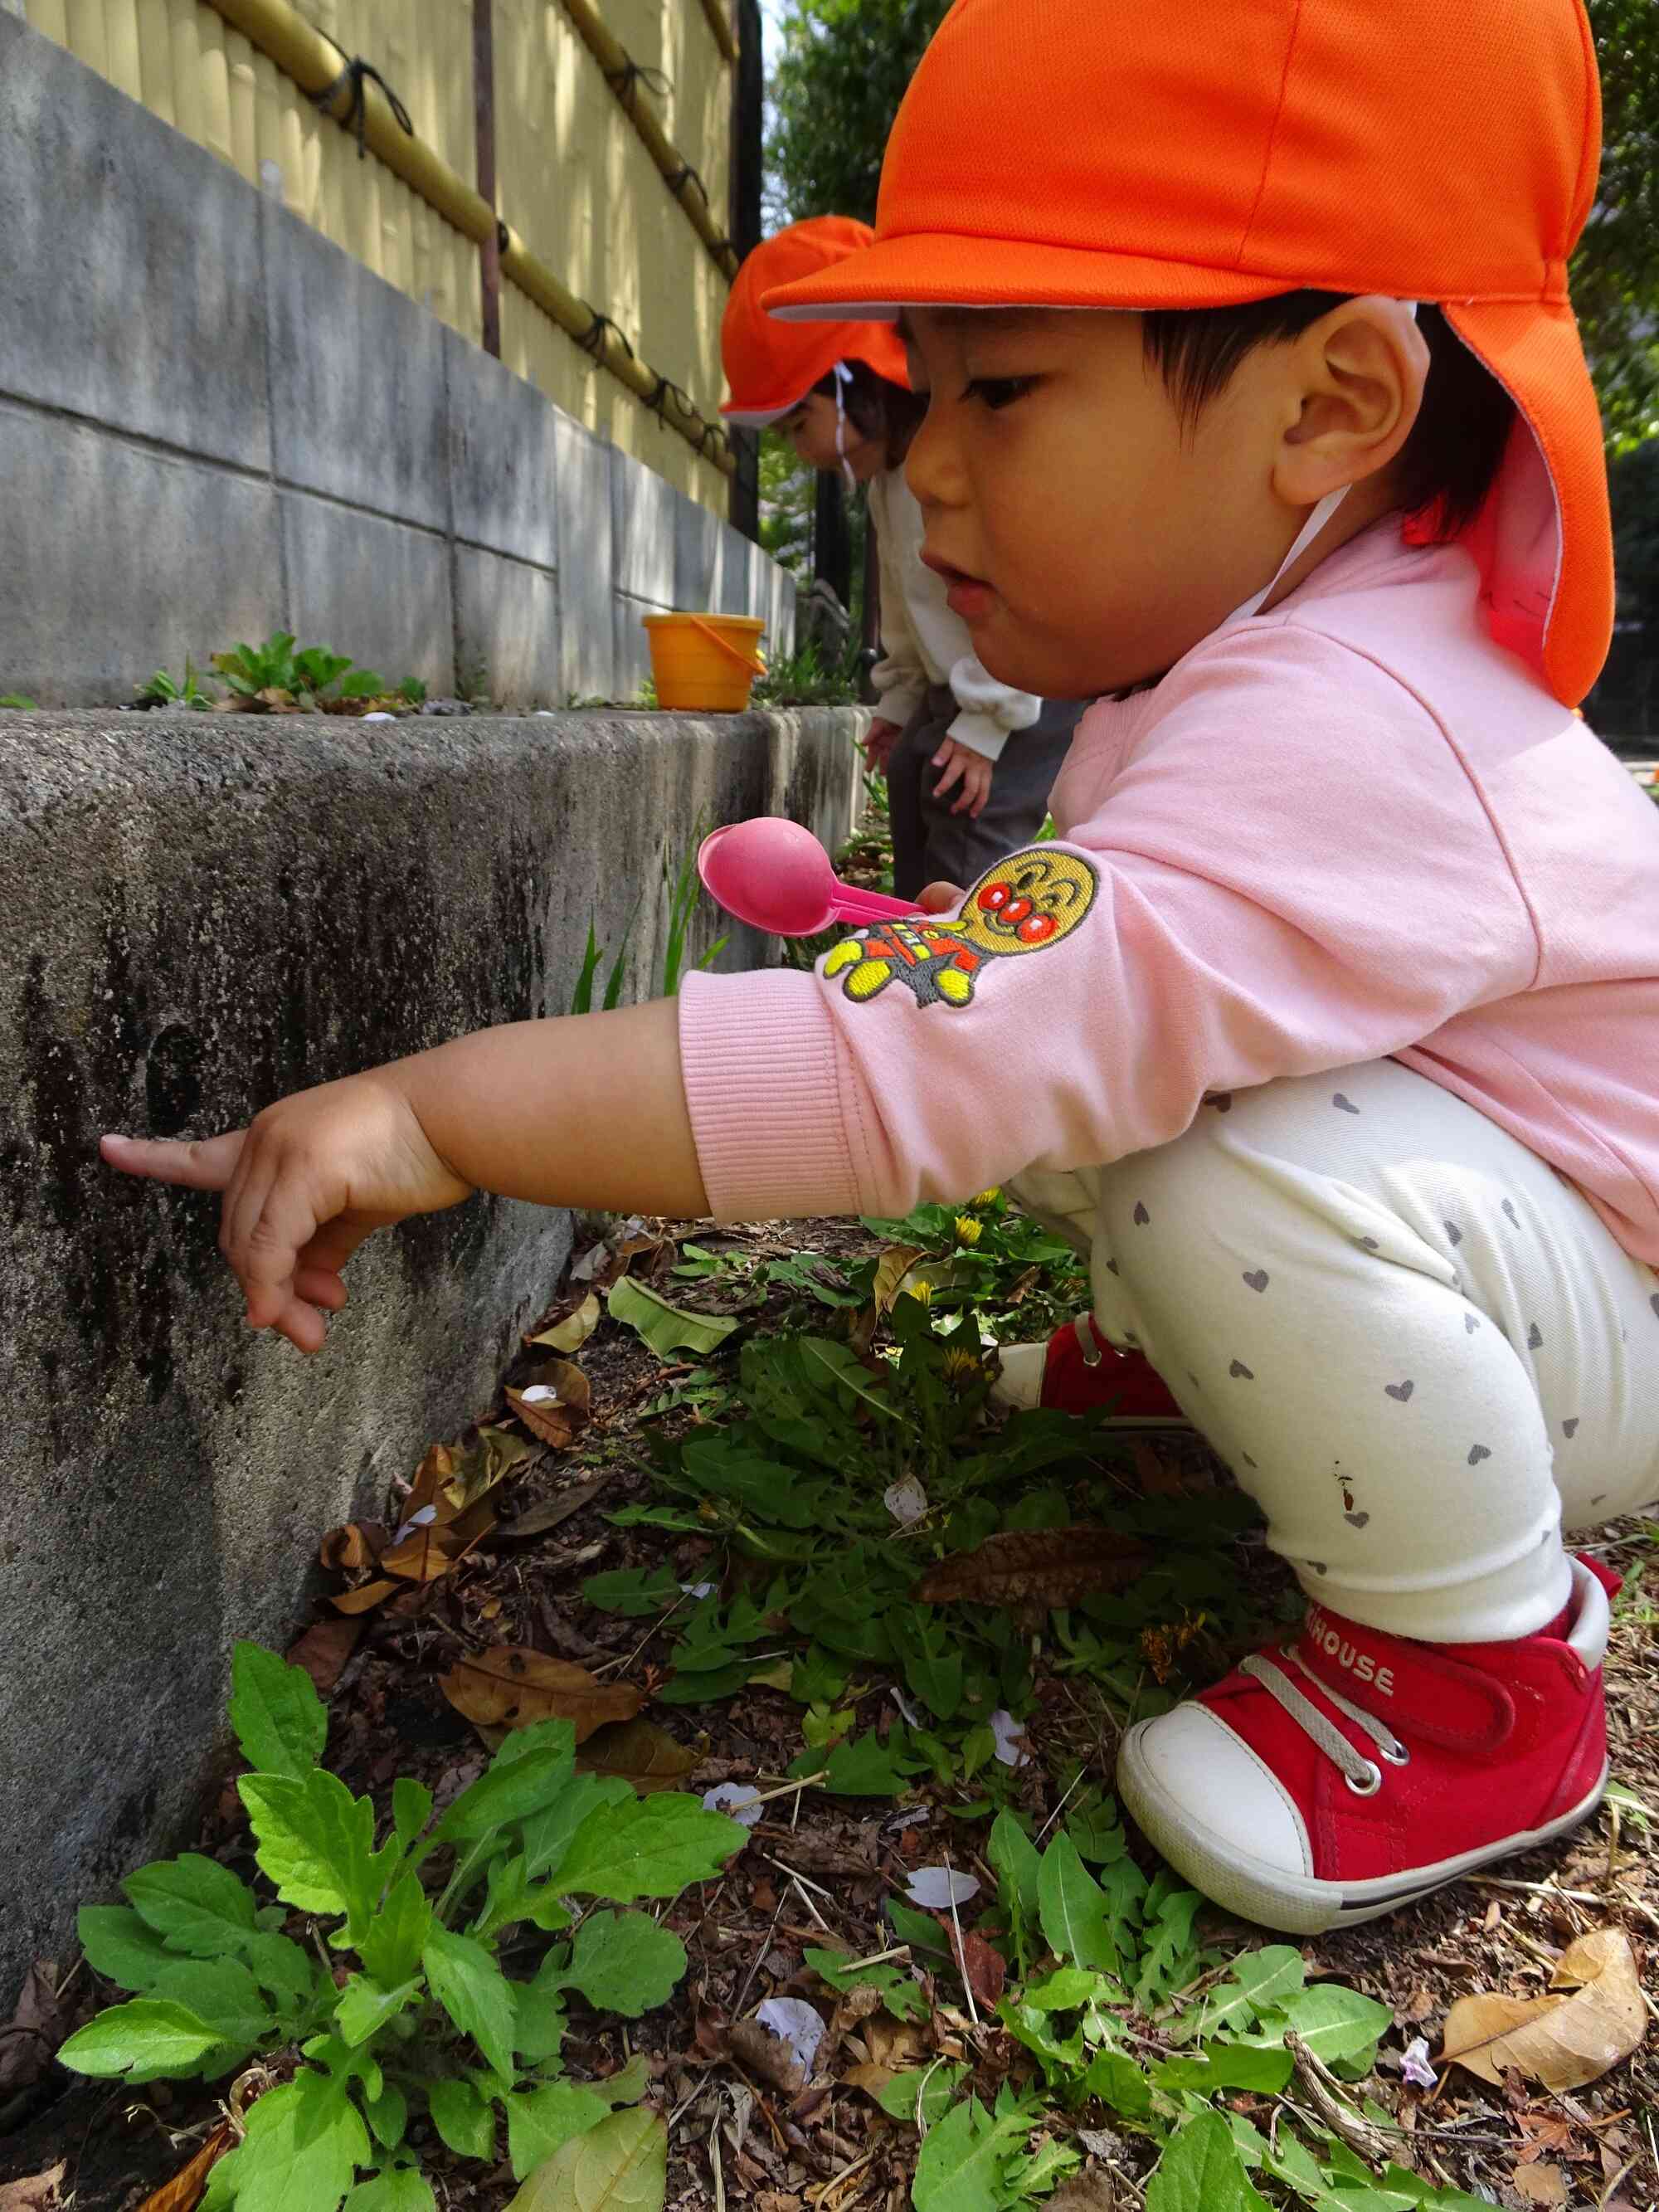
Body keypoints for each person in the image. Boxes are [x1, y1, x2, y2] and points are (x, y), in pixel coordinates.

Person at [103, 0, 1659, 1937]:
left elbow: (920, 1064)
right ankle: (1251, 1365)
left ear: (1327, 402)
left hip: (1609, 1311)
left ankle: (1478, 1674)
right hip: (1548, 1243)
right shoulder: (1291, 656)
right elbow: (1016, 996)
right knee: (1094, 1048)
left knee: (1195, 1151)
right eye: (914, 393)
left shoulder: (1343, 715)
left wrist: (437, 1103)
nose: (919, 468)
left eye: (998, 389)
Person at [720, 217, 1078, 898]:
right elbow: (911, 606)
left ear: (853, 384)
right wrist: (901, 698)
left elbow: (1017, 581)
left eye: (800, 422)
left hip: (1022, 683)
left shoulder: (948, 466)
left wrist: (986, 721)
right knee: (916, 765)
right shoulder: (888, 478)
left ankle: (970, 972)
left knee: (969, 809)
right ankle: (913, 936)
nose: (799, 450)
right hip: (965, 680)